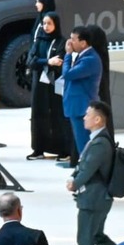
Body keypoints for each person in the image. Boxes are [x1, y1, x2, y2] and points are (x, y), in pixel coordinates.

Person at [67, 100, 118, 245]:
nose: (84, 117)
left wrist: (74, 183)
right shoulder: (99, 140)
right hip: (98, 198)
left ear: (97, 120)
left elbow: (88, 168)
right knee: (97, 236)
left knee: (85, 239)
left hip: (93, 200)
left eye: (88, 114)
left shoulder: (100, 143)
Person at [27, 10, 71, 161]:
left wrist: (43, 62)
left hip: (55, 84)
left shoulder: (61, 42)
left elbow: (60, 61)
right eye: (44, 23)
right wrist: (47, 61)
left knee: (58, 115)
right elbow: (30, 61)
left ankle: (63, 150)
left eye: (49, 23)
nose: (46, 26)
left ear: (56, 24)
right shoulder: (39, 41)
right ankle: (38, 149)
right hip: (39, 86)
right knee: (39, 115)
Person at [59, 27, 102, 160]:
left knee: (84, 146)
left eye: (73, 39)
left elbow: (67, 74)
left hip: (82, 108)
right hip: (77, 107)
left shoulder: (90, 59)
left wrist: (67, 55)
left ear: (83, 43)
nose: (69, 42)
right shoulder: (83, 56)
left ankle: (87, 169)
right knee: (81, 145)